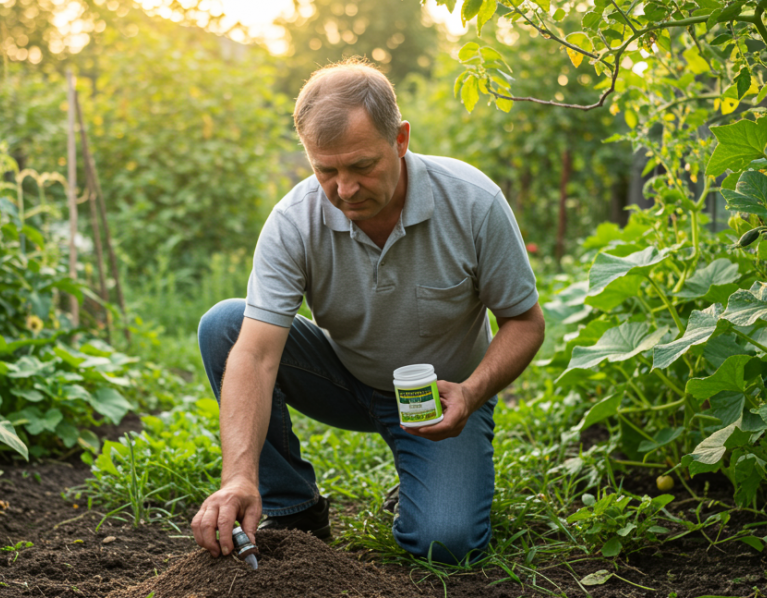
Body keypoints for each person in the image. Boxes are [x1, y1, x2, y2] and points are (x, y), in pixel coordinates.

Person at [191, 59, 544, 565]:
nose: (345, 189)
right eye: (326, 171)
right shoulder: (294, 222)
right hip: (346, 380)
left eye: (361, 166)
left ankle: (423, 487)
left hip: (442, 401)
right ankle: (295, 510)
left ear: (400, 139)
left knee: (444, 542)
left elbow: (525, 322)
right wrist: (239, 476)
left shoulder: (472, 203)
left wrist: (471, 391)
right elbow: (254, 356)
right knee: (225, 325)